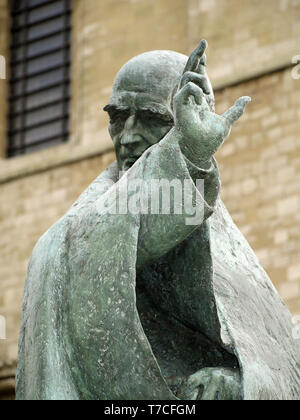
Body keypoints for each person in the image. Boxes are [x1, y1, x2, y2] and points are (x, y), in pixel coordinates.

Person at [16, 41, 300, 400]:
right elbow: (115, 238)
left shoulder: (235, 254)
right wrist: (188, 156)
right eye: (118, 118)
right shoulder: (75, 236)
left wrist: (237, 383)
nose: (129, 136)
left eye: (152, 118)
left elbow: (280, 365)